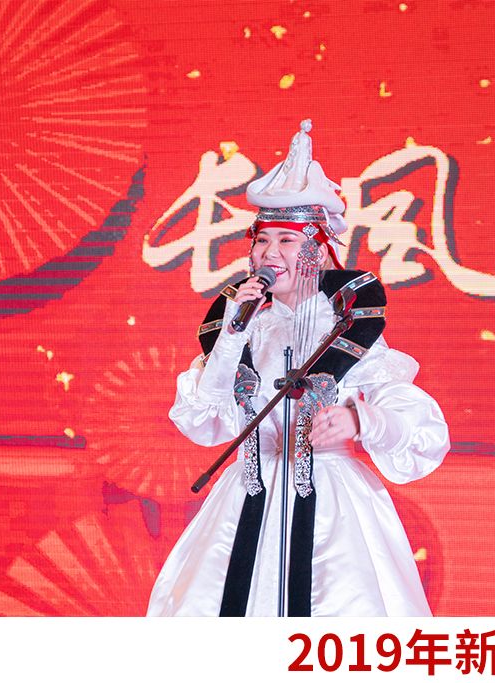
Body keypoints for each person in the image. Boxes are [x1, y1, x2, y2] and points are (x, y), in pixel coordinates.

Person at [147, 122, 449, 616]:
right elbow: (202, 420)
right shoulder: (244, 329)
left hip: (331, 501)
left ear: (318, 249)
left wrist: (359, 421)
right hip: (246, 497)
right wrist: (232, 335)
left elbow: (419, 427)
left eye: (286, 240)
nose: (269, 254)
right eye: (261, 241)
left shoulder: (349, 328)